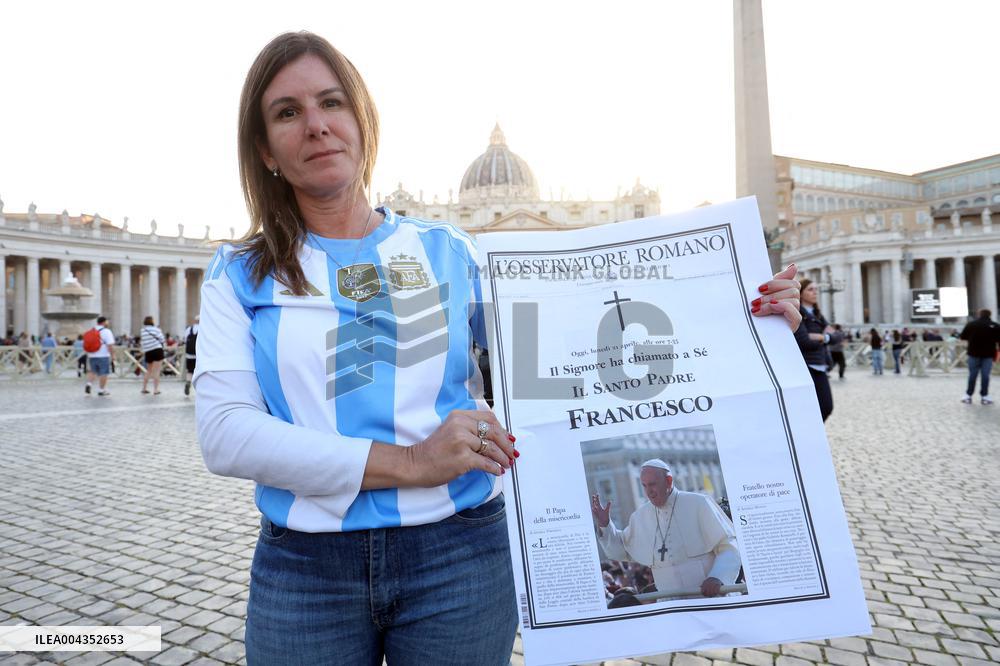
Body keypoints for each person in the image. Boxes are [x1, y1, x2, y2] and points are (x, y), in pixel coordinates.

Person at [194, 31, 801, 665]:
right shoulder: (239, 272)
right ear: (264, 148)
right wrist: (414, 462)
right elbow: (227, 433)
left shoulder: (453, 253)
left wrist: (745, 317)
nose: (317, 125)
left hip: (458, 558)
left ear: (362, 122)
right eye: (289, 112)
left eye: (332, 103)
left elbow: (580, 360)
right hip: (305, 566)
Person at [590, 459, 740, 599]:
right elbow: (622, 550)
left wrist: (718, 576)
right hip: (671, 605)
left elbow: (729, 544)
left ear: (668, 481)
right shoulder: (640, 516)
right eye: (644, 485)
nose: (649, 491)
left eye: (653, 484)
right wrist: (606, 525)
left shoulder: (699, 503)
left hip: (709, 597)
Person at [793, 279, 833, 421]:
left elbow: (837, 336)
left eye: (816, 289)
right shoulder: (798, 312)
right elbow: (804, 341)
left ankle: (811, 435)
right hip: (807, 364)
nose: (815, 292)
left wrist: (822, 337)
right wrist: (826, 337)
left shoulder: (818, 315)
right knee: (812, 407)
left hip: (821, 364)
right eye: (810, 289)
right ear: (801, 293)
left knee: (827, 406)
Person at [959, 309, 1000, 405]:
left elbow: (963, 336)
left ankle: (968, 395)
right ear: (990, 315)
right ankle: (985, 396)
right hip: (988, 354)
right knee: (985, 376)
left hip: (973, 353)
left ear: (979, 314)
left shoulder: (972, 324)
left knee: (972, 375)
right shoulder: (995, 325)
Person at [84, 316, 116, 396]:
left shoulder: (91, 330)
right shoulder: (106, 331)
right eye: (107, 322)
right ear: (104, 322)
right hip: (103, 355)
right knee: (103, 373)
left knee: (92, 371)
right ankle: (101, 390)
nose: (108, 323)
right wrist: (113, 355)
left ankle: (89, 384)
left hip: (92, 354)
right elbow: (110, 345)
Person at [140, 315, 166, 394]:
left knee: (149, 370)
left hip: (148, 351)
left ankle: (144, 388)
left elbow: (143, 342)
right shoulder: (156, 329)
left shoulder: (143, 330)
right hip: (157, 350)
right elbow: (162, 339)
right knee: (157, 371)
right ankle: (155, 389)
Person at [181, 315, 199, 396]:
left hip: (190, 354)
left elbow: (184, 340)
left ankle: (188, 382)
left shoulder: (189, 329)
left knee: (190, 370)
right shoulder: (203, 329)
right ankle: (198, 388)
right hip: (199, 355)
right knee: (199, 370)